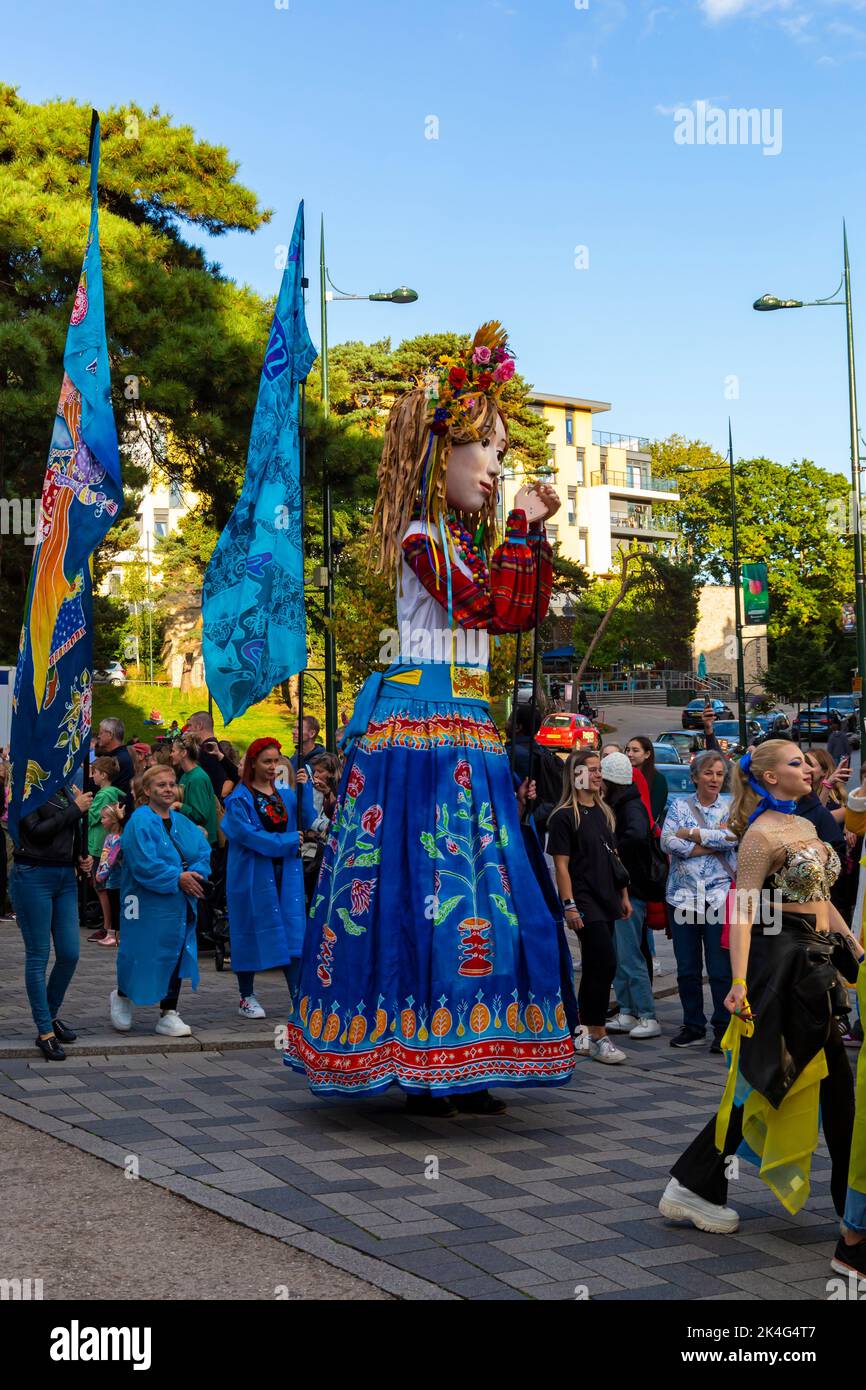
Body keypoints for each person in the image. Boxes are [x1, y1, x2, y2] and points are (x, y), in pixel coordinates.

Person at [284, 324, 575, 1114]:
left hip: (463, 728)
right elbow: (488, 606)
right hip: (422, 726)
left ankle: (467, 1053)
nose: (495, 468)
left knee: (479, 888)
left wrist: (529, 529)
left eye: (501, 454)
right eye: (484, 450)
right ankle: (417, 1054)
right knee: (425, 885)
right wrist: (518, 526)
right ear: (436, 456)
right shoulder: (422, 538)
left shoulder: (461, 543)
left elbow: (517, 611)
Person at [659, 739, 864, 1241]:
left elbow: (821, 899)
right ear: (770, 777)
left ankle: (695, 1181)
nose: (808, 770)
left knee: (788, 1080)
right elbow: (745, 910)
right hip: (783, 964)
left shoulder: (807, 824)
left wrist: (855, 947)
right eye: (796, 763)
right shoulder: (759, 835)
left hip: (815, 958)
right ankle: (849, 1213)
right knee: (794, 1079)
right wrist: (738, 981)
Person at [110, 764, 211, 1037]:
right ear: (147, 790)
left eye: (171, 784)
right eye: (161, 785)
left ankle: (169, 1011)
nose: (168, 789)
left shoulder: (183, 822)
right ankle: (123, 995)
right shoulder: (139, 821)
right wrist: (178, 877)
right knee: (139, 950)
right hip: (144, 901)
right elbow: (143, 863)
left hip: (179, 903)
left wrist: (196, 875)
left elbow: (203, 851)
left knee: (175, 952)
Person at [221, 738, 316, 1018]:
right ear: (253, 764)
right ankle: (246, 995)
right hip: (252, 875)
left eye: (276, 760)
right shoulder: (238, 799)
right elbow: (248, 836)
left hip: (285, 874)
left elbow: (305, 819)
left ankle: (298, 997)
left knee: (292, 931)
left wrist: (305, 788)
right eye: (267, 761)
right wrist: (286, 841)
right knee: (248, 929)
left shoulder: (285, 795)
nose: (273, 766)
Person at [547, 749, 631, 1064]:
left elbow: (614, 857)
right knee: (604, 962)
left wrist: (623, 895)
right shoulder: (564, 816)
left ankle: (581, 1030)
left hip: (607, 897)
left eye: (599, 770)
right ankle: (598, 1035)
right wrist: (568, 905)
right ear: (576, 774)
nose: (598, 775)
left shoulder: (602, 811)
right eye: (592, 769)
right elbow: (562, 867)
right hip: (583, 900)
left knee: (599, 966)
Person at [660, 751, 737, 1053]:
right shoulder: (679, 805)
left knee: (720, 970)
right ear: (695, 777)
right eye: (708, 773)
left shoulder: (731, 806)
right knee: (687, 968)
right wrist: (709, 839)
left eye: (719, 773)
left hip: (718, 897)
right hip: (682, 898)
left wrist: (690, 834)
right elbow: (668, 841)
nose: (715, 779)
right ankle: (693, 1025)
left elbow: (732, 838)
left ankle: (723, 1028)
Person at [11, 783, 94, 1059]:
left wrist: (81, 858)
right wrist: (75, 809)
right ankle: (44, 1029)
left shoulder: (64, 787)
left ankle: (50, 1014)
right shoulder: (25, 786)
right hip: (33, 873)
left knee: (70, 953)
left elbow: (71, 830)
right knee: (38, 954)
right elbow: (36, 833)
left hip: (64, 877)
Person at [601, 751, 661, 1040]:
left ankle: (646, 1013)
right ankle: (627, 1010)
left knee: (629, 955)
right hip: (627, 889)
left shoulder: (628, 807)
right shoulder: (628, 803)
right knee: (621, 955)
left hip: (630, 891)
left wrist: (613, 856)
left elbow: (636, 837)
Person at [86, 755, 123, 944]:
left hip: (101, 847)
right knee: (103, 887)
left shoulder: (105, 794)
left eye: (95, 772)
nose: (92, 776)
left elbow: (92, 817)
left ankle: (109, 928)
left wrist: (79, 801)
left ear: (104, 775)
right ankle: (110, 928)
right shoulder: (110, 793)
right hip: (101, 845)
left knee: (102, 887)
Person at [170, 736, 219, 849]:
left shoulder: (197, 778)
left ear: (183, 753)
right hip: (192, 837)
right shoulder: (186, 775)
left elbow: (200, 815)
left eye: (173, 751)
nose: (171, 754)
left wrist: (179, 805)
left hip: (203, 842)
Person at [184, 711, 239, 803]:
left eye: (190, 725)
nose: (187, 729)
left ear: (199, 725)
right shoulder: (214, 748)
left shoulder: (206, 751)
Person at [94, 801, 124, 948]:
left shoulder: (118, 839)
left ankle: (116, 935)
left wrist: (101, 874)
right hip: (111, 880)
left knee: (117, 909)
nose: (101, 820)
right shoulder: (110, 837)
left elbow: (111, 860)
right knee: (114, 908)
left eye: (104, 817)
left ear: (113, 819)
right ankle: (112, 934)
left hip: (117, 881)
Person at [625, 737, 667, 825]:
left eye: (635, 750)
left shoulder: (658, 779)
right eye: (628, 750)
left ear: (647, 754)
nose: (629, 754)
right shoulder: (622, 776)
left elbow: (653, 813)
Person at [94, 718, 134, 794]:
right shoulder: (120, 755)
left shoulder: (119, 759)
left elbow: (111, 790)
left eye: (101, 733)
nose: (98, 736)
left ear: (110, 735)